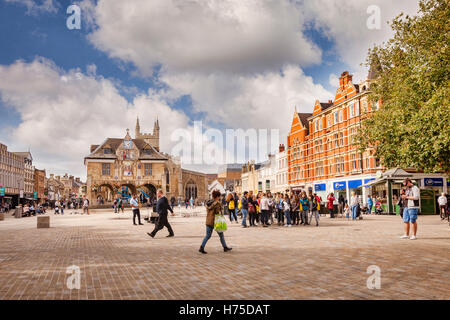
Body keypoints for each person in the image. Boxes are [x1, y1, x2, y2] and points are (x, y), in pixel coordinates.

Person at [199, 189, 232, 254]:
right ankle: (225, 247)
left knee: (208, 235)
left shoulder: (208, 202)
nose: (219, 198)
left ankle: (201, 247)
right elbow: (218, 212)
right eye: (219, 196)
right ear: (217, 197)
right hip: (216, 221)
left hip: (208, 220)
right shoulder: (217, 204)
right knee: (221, 235)